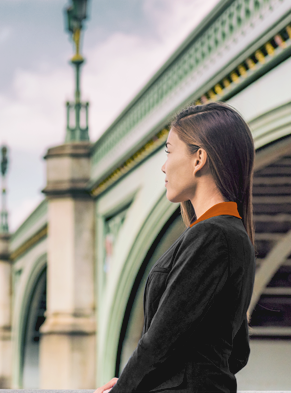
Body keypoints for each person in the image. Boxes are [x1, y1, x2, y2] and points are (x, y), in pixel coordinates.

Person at [95, 102, 256, 393]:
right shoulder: (233, 235)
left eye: (169, 151)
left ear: (199, 159)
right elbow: (237, 352)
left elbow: (159, 340)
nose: (163, 165)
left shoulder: (211, 236)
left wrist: (125, 390)